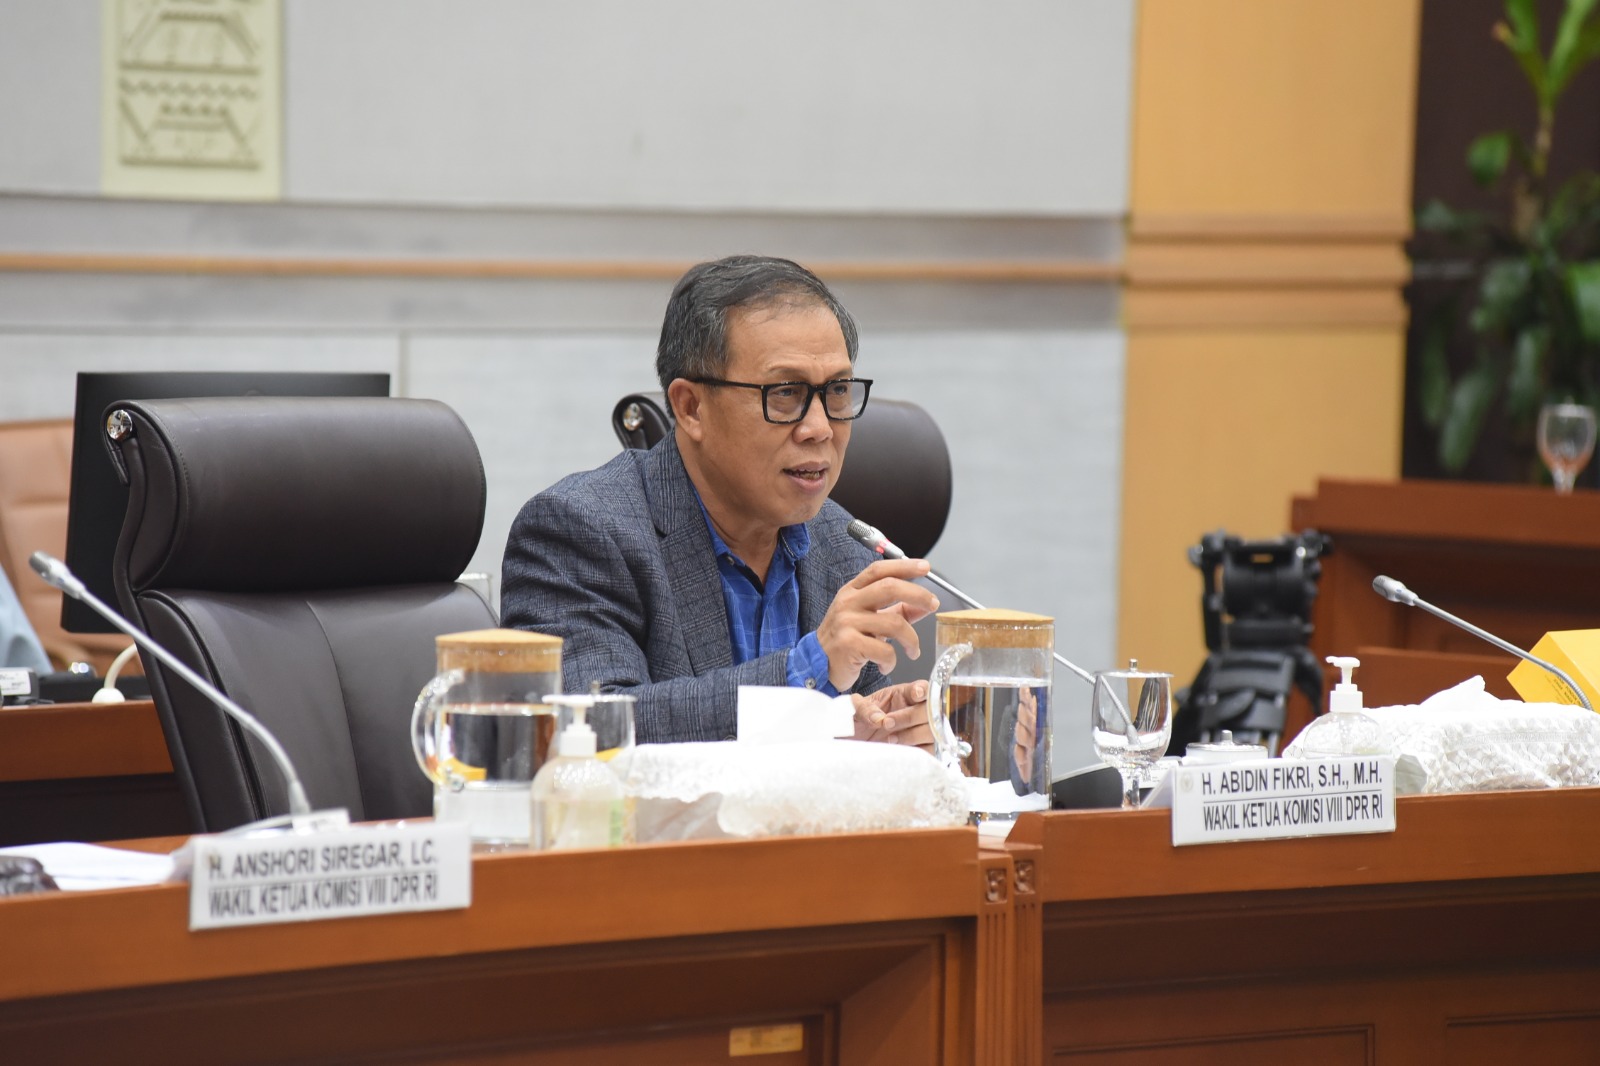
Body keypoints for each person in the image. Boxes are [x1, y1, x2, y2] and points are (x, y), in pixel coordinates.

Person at [502, 254, 939, 745]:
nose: (819, 428)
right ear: (691, 407)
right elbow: (587, 727)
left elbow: (842, 733)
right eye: (785, 393)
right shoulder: (579, 530)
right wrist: (805, 670)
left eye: (837, 390)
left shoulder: (845, 546)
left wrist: (887, 732)